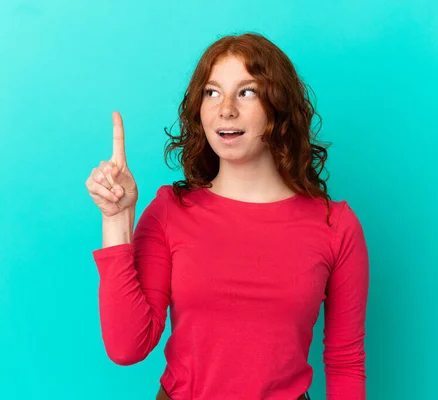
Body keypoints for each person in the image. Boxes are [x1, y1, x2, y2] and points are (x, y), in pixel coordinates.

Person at [86, 32, 370, 400]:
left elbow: (345, 362)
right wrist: (116, 218)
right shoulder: (170, 211)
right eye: (212, 92)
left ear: (278, 107)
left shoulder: (337, 226)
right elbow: (127, 347)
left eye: (247, 91)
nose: (226, 109)